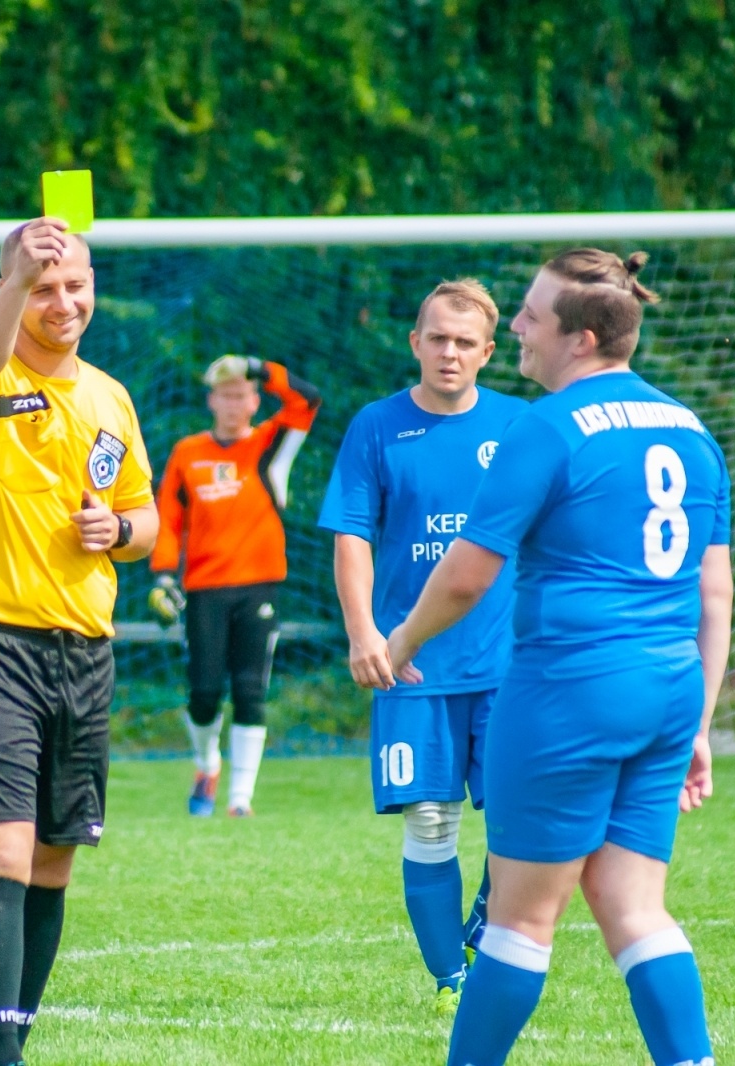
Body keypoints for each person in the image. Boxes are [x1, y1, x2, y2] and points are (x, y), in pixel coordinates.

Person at [385, 250, 731, 1066]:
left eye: (530, 317)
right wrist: (702, 723)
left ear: (579, 338)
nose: (515, 329)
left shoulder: (546, 426)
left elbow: (468, 575)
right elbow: (713, 594)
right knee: (632, 905)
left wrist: (400, 642)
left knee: (519, 918)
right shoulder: (690, 427)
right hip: (669, 687)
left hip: (571, 688)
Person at [0, 217, 158, 1066]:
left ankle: (15, 1036)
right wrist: (14, 280)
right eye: (46, 288)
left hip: (83, 650)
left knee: (54, 861)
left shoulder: (110, 397)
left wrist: (121, 527)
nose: (63, 302)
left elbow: (149, 524)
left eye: (76, 285)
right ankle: (1, 1057)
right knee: (1, 845)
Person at [317, 279, 526, 1014]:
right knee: (430, 818)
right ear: (415, 341)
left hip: (508, 663)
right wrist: (362, 631)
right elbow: (351, 535)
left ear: (488, 352)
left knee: (521, 817)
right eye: (436, 337)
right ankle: (452, 981)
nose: (449, 352)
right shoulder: (376, 426)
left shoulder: (522, 425)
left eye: (465, 342)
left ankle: (480, 925)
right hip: (412, 663)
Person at [149, 354, 321, 817]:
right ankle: (207, 764)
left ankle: (240, 800)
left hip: (260, 586)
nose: (232, 402)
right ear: (211, 401)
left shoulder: (271, 444)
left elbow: (308, 398)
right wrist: (164, 573)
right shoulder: (188, 452)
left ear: (253, 399)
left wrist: (258, 366)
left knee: (250, 690)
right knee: (204, 693)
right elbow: (168, 517)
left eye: (241, 393)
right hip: (204, 589)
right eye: (224, 394)